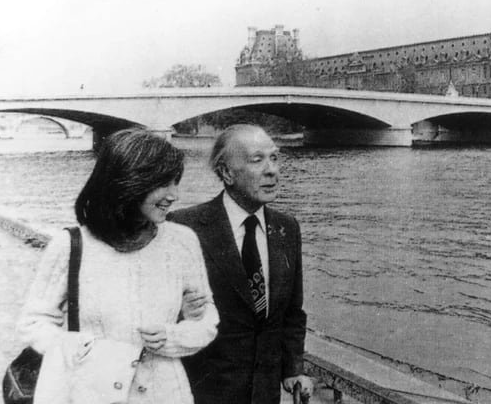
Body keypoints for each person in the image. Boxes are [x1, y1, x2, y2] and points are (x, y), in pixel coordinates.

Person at [18, 128, 219, 404]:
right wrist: (84, 351)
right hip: (91, 394)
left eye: (176, 182)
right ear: (128, 183)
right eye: (164, 184)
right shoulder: (71, 245)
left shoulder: (182, 242)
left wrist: (173, 337)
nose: (175, 196)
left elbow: (206, 318)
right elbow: (34, 321)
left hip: (165, 393)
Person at [169, 124, 311, 404]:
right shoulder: (184, 227)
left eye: (275, 158)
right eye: (257, 160)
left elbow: (292, 313)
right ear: (226, 173)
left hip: (265, 394)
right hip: (203, 393)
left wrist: (293, 368)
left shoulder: (287, 228)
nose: (272, 170)